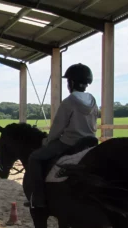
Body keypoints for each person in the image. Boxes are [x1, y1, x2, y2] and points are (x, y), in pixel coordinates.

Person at [27, 63, 98, 208]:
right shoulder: (92, 100)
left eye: (68, 81)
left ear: (71, 82)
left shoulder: (69, 101)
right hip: (90, 141)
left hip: (70, 142)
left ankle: (38, 199)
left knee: (34, 158)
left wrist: (47, 140)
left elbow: (58, 128)